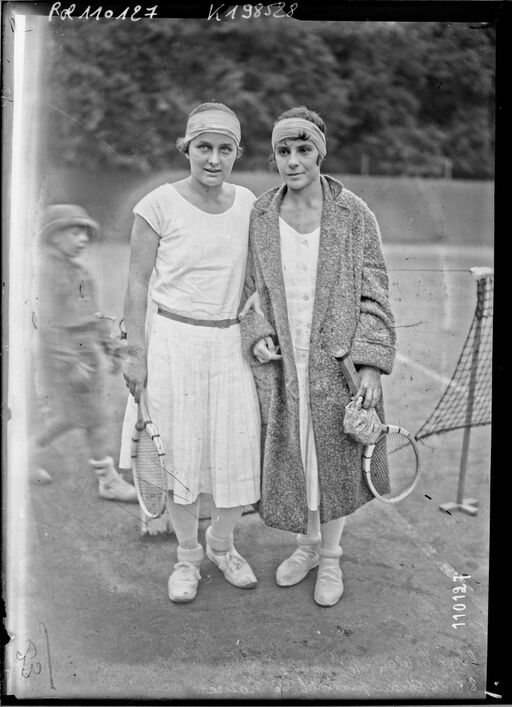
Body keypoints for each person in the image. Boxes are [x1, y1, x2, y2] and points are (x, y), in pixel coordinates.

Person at [239, 106, 396, 607]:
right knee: (297, 455)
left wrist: (370, 361)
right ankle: (306, 546)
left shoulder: (354, 213)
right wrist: (257, 329)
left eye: (303, 149)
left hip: (339, 365)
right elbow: (249, 290)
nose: (292, 160)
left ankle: (330, 558)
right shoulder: (262, 213)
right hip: (286, 365)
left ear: (320, 153)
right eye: (283, 151)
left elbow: (375, 292)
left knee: (335, 456)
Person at [121, 102, 261, 604]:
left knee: (237, 456)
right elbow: (136, 284)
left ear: (237, 153)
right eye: (204, 147)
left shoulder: (249, 203)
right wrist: (135, 352)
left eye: (225, 149)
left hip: (231, 349)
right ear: (187, 148)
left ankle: (221, 545)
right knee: (178, 457)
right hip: (173, 345)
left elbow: (257, 283)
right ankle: (187, 558)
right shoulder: (156, 204)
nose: (214, 158)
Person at [30, 204, 138, 504]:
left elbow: (91, 315)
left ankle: (21, 456)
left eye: (85, 233)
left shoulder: (79, 271)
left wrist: (111, 346)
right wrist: (69, 360)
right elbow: (48, 321)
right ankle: (108, 480)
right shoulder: (48, 271)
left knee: (70, 416)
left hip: (84, 350)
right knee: (93, 416)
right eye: (74, 231)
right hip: (64, 354)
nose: (82, 239)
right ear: (53, 237)